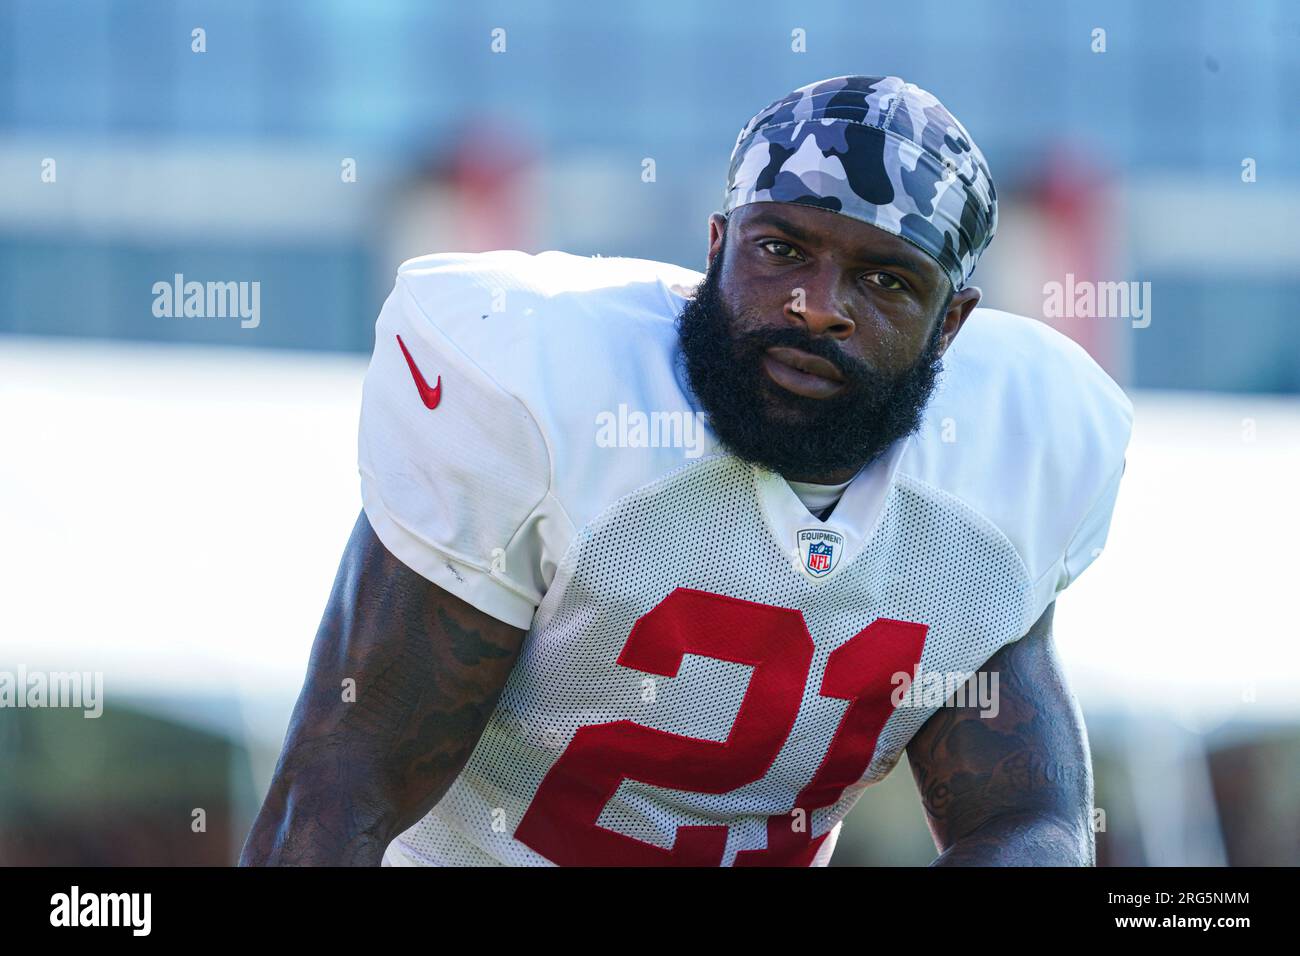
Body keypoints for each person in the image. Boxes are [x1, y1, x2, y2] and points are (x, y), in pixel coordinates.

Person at [241, 75, 1132, 866]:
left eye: (885, 280)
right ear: (716, 249)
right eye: (782, 249)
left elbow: (1026, 817)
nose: (818, 307)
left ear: (952, 325)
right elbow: (343, 785)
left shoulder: (1011, 460)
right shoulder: (547, 392)